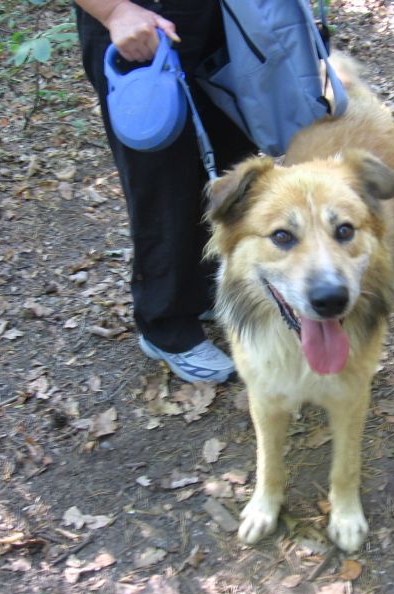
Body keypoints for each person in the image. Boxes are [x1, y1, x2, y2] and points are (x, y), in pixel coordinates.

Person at [73, 0, 257, 383]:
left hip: (221, 17)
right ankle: (166, 325)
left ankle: (210, 290)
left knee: (231, 164)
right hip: (139, 27)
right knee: (162, 184)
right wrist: (114, 11)